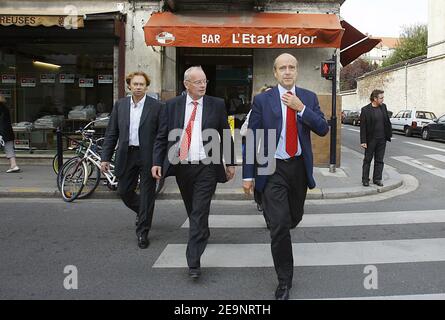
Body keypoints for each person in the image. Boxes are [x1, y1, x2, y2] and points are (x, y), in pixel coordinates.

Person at [242, 53, 329, 300]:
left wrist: (301, 109)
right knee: (280, 226)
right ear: (275, 72)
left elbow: (323, 129)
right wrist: (248, 175)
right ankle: (284, 281)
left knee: (294, 217)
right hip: (273, 168)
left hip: (298, 169)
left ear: (297, 71)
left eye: (292, 67)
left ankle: (282, 220)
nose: (288, 71)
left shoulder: (309, 98)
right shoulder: (262, 100)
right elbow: (253, 139)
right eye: (283, 68)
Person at [152, 66, 236, 280]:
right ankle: (202, 231)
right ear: (186, 84)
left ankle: (193, 262)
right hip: (182, 166)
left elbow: (225, 133)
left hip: (207, 166)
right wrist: (157, 162)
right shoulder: (172, 106)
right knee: (193, 209)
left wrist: (231, 163)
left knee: (199, 211)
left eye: (204, 81)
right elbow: (162, 136)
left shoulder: (216, 105)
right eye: (197, 82)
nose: (202, 85)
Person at [100, 71, 163, 249]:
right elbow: (112, 133)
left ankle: (143, 232)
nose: (138, 87)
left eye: (141, 84)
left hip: (148, 156)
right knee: (123, 191)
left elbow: (161, 135)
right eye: (135, 84)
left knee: (147, 194)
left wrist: (159, 159)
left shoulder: (157, 106)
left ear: (146, 86)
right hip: (126, 154)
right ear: (129, 86)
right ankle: (143, 211)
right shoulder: (120, 105)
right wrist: (105, 157)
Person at [240, 85, 273, 229]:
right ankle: (262, 204)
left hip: (274, 156)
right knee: (262, 186)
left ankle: (271, 214)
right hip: (259, 154)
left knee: (272, 188)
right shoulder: (255, 111)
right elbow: (243, 131)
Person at [360, 89, 392, 187]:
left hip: (382, 139)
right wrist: (363, 141)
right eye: (381, 98)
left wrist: (388, 133)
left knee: (379, 160)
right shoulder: (365, 110)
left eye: (383, 97)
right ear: (375, 99)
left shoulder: (383, 107)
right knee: (367, 160)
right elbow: (363, 127)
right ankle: (365, 179)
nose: (383, 99)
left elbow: (386, 121)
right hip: (371, 140)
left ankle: (377, 179)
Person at [0, 94, 20, 173]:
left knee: (9, 148)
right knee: (9, 149)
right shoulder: (5, 107)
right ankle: (14, 165)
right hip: (8, 131)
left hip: (2, 131)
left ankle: (14, 166)